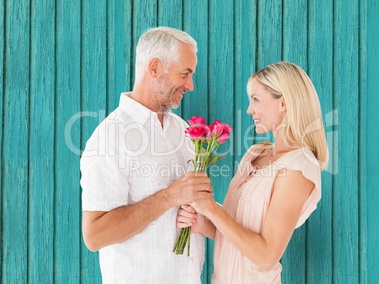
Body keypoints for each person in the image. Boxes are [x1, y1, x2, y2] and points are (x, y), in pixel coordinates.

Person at [80, 27, 212, 283]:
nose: (191, 85)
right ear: (154, 68)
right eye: (185, 74)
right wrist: (170, 196)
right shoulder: (110, 137)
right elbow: (95, 235)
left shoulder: (183, 130)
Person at [177, 61, 329, 283]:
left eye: (256, 100)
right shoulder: (255, 154)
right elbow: (241, 234)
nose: (249, 109)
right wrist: (204, 221)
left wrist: (211, 208)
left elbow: (266, 256)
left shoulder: (299, 167)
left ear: (284, 103)